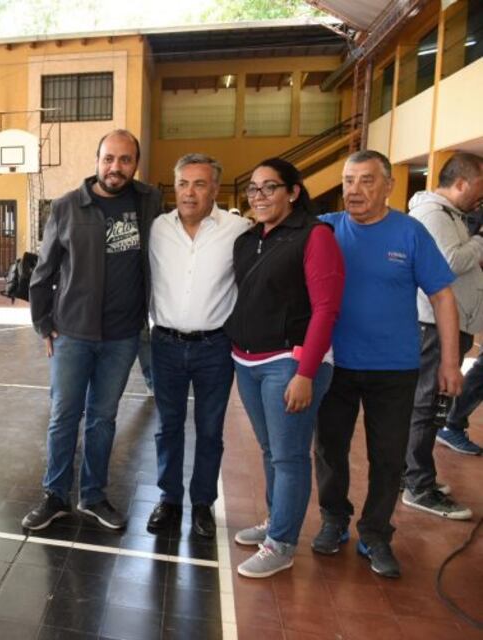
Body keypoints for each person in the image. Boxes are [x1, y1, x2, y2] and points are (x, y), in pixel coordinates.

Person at [312, 150, 462, 579]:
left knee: (388, 456)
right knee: (328, 448)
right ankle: (334, 518)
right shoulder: (326, 230)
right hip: (335, 364)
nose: (354, 190)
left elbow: (443, 297)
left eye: (365, 181)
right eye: (348, 181)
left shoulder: (410, 233)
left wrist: (450, 362)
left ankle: (376, 532)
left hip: (394, 368)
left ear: (388, 186)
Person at [22, 129, 160, 531]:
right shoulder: (67, 207)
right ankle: (55, 495)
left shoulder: (149, 202)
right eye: (108, 159)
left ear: (135, 163)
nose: (115, 168)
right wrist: (43, 323)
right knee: (64, 416)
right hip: (73, 334)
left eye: (125, 160)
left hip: (123, 337)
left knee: (103, 418)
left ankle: (93, 496)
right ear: (97, 159)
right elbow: (42, 272)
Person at [225, 158, 344, 578]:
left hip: (288, 365)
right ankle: (277, 523)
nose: (259, 197)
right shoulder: (249, 239)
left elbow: (327, 309)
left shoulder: (315, 235)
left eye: (269, 188)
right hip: (247, 361)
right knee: (272, 451)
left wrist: (306, 372)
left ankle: (282, 543)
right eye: (253, 189)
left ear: (293, 192)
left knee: (290, 458)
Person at [146, 154, 250, 539]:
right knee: (167, 427)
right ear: (175, 187)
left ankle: (202, 503)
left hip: (215, 347)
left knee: (210, 430)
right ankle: (169, 500)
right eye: (183, 183)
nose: (190, 192)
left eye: (200, 184)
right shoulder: (157, 228)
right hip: (166, 344)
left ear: (215, 189)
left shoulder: (238, 229)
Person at [403, 152, 483, 519]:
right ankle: (418, 485)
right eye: (480, 186)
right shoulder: (433, 215)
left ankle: (414, 475)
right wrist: (481, 240)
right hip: (433, 325)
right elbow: (450, 263)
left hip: (447, 323)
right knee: (426, 404)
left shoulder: (450, 216)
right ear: (462, 182)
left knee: (430, 405)